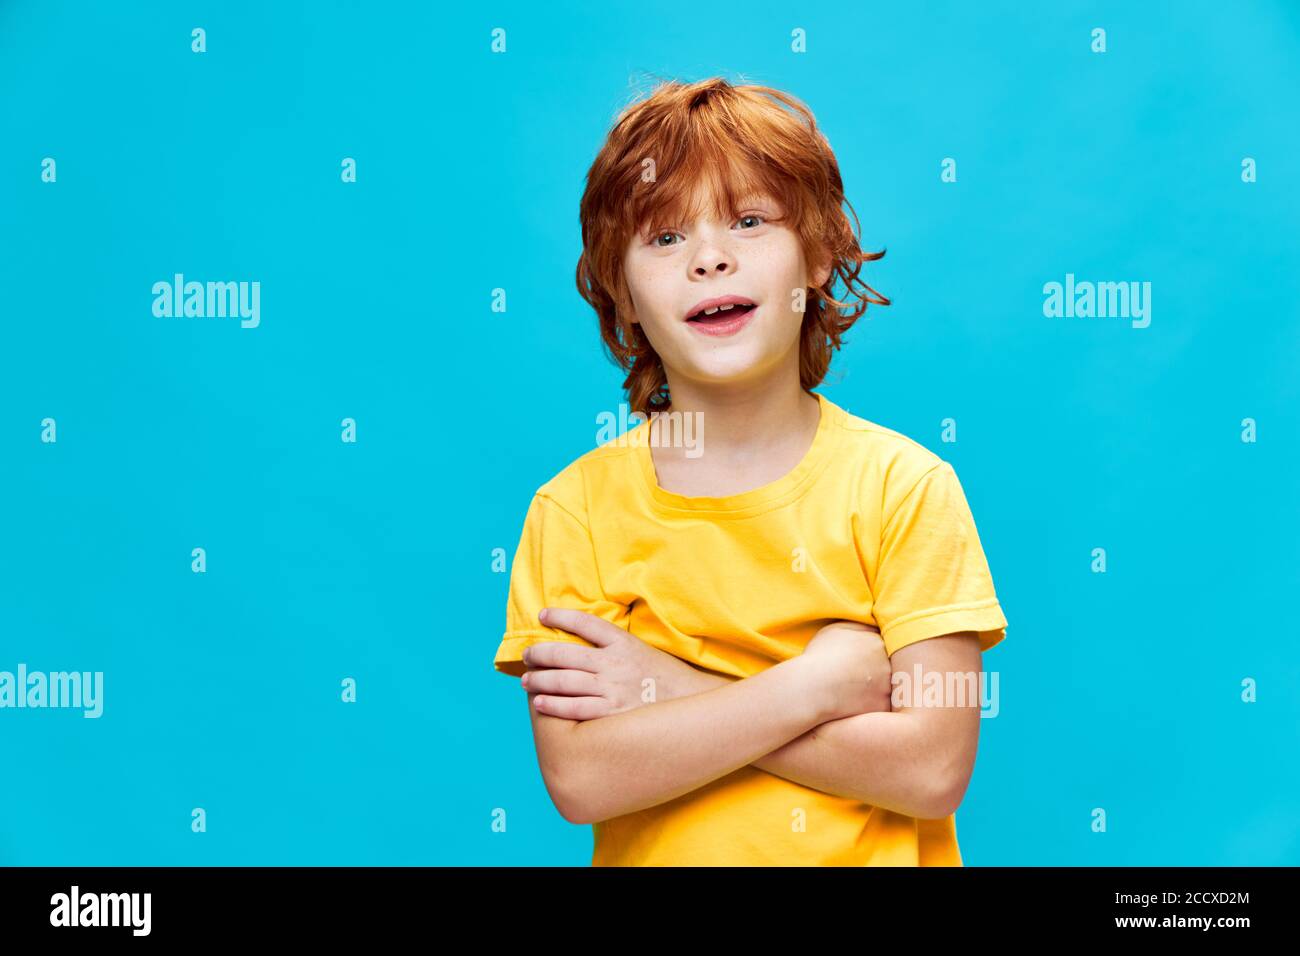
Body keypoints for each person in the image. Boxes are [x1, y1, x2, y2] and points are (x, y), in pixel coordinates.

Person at [492, 76, 1009, 865]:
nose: (710, 259)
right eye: (664, 238)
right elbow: (583, 779)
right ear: (622, 294)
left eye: (750, 220)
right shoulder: (575, 512)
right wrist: (816, 687)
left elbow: (933, 769)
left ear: (818, 254)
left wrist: (663, 688)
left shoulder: (905, 488)